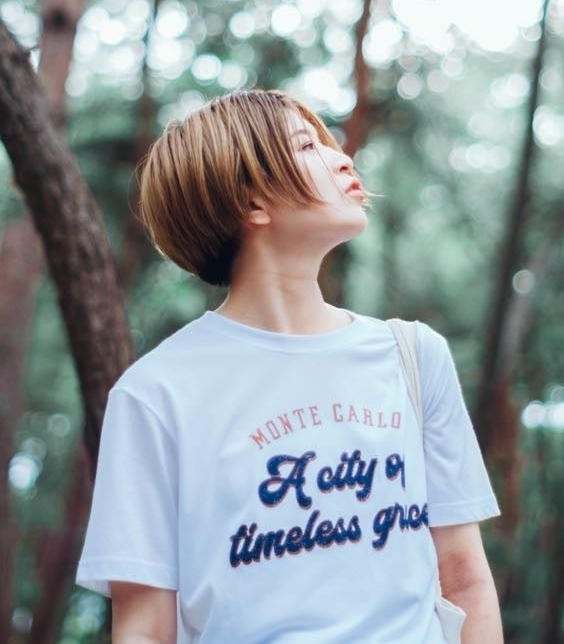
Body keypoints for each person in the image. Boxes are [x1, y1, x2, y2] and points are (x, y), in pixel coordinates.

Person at [76, 88, 503, 643]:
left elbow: (465, 580)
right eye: (308, 146)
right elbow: (144, 629)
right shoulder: (155, 394)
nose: (342, 158)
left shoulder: (413, 355)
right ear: (252, 202)